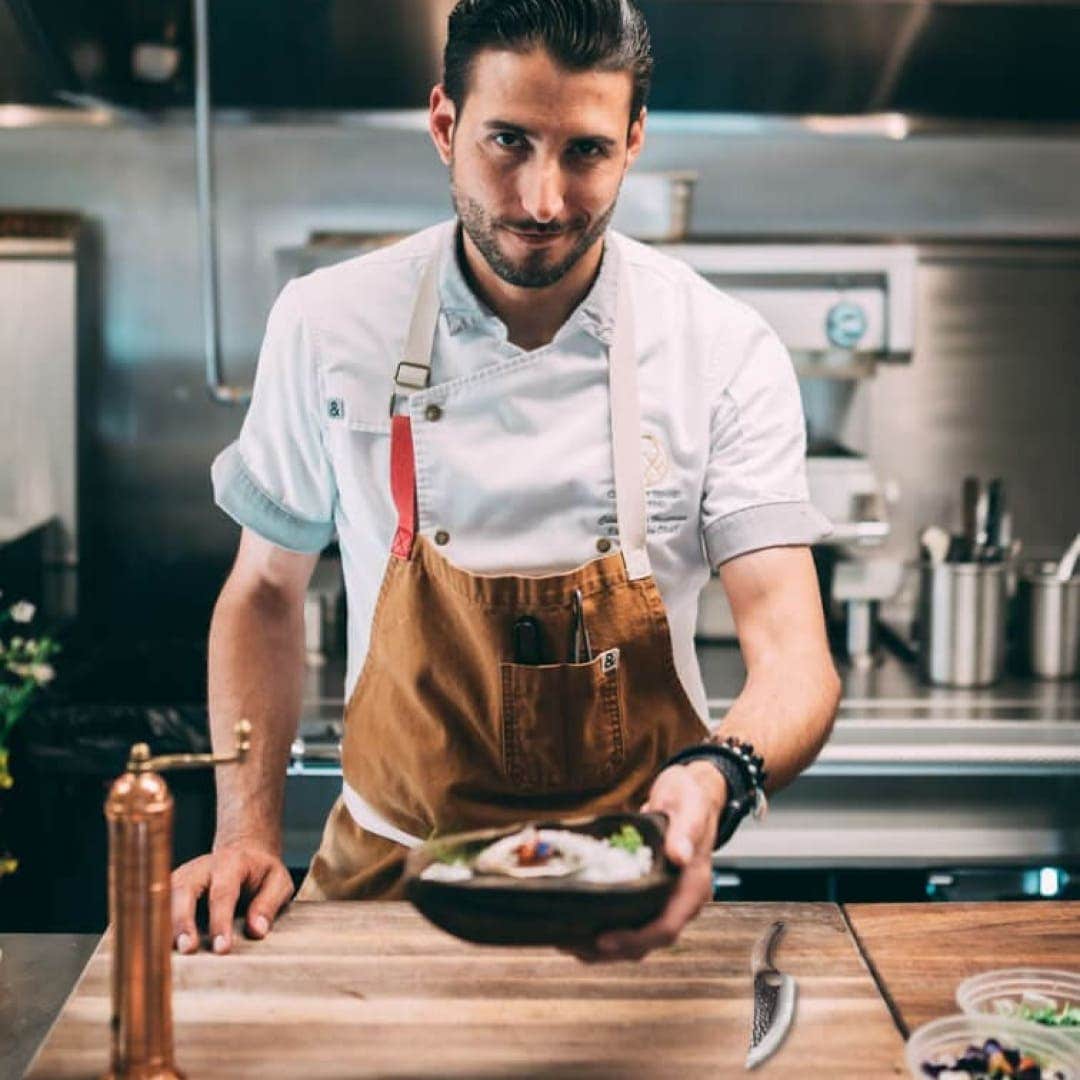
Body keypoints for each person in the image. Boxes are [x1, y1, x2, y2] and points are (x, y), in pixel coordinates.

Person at [171, 0, 840, 964]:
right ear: (445, 124)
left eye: (585, 152)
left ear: (634, 141)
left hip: (633, 891)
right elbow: (263, 593)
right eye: (508, 141)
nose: (541, 201)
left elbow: (795, 656)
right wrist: (245, 832)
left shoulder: (722, 348)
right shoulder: (327, 323)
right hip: (386, 891)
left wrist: (716, 780)